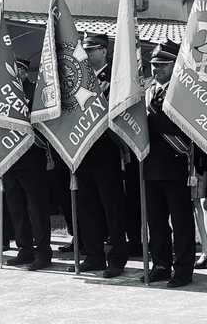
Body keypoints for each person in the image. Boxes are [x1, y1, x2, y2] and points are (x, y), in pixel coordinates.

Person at [69, 32, 127, 279]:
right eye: (86, 49)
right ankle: (93, 255)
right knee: (87, 206)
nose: (87, 54)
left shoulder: (115, 78)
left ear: (104, 51)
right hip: (82, 150)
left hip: (107, 151)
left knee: (111, 208)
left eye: (92, 50)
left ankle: (116, 258)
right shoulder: (81, 79)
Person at [140, 40, 195, 288]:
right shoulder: (146, 90)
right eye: (153, 64)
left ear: (174, 64)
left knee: (181, 222)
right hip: (151, 166)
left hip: (176, 164)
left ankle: (183, 270)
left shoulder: (183, 90)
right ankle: (161, 264)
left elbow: (186, 128)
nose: (156, 69)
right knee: (156, 221)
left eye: (162, 64)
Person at [4, 58, 53, 271]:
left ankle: (43, 253)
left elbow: (43, 124)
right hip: (10, 157)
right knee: (16, 208)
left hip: (32, 159)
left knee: (36, 209)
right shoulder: (3, 94)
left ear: (25, 72)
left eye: (19, 70)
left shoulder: (34, 91)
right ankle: (24, 249)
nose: (15, 73)